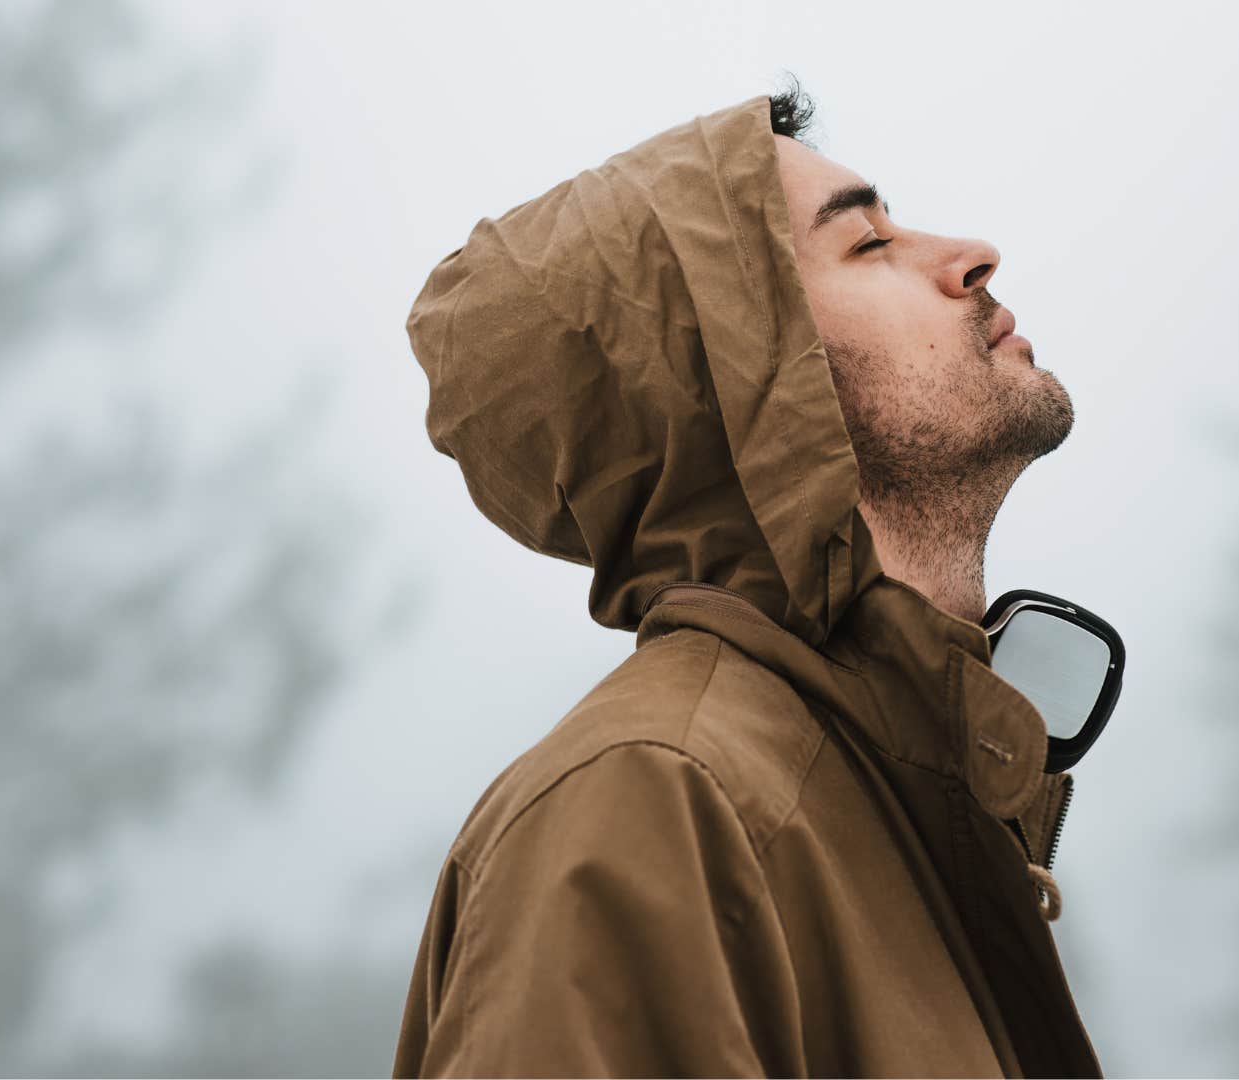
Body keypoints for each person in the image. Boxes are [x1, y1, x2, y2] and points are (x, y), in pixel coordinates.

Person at [392, 77, 1102, 1078]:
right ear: (745, 384)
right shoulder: (657, 803)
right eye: (866, 245)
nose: (970, 254)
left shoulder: (873, 794)